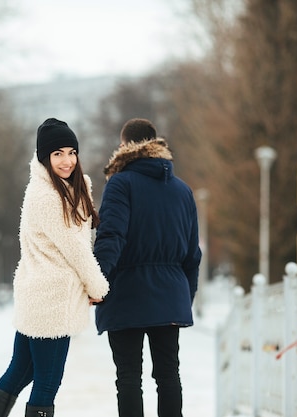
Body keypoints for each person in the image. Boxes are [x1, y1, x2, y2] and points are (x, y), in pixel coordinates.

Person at [0, 117, 109, 417]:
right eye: (58, 154)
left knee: (19, 373)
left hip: (39, 296)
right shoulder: (47, 196)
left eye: (71, 152)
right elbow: (76, 250)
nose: (67, 161)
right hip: (51, 300)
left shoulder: (67, 189)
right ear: (44, 158)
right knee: (47, 383)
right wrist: (97, 287)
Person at [93, 118, 202, 417]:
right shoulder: (183, 191)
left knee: (129, 377)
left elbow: (111, 237)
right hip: (170, 295)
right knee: (168, 375)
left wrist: (97, 282)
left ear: (125, 146)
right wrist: (183, 297)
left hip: (126, 295)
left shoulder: (120, 183)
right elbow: (192, 254)